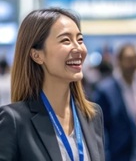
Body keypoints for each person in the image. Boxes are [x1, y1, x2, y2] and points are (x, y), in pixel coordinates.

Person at [0, 8, 105, 161]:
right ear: (37, 55)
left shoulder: (92, 115)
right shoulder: (14, 120)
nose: (79, 48)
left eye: (80, 40)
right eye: (66, 40)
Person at [93, 43, 136, 161]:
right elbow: (99, 127)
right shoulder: (105, 90)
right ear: (119, 61)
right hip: (117, 154)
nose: (132, 64)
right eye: (128, 59)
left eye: (135, 59)